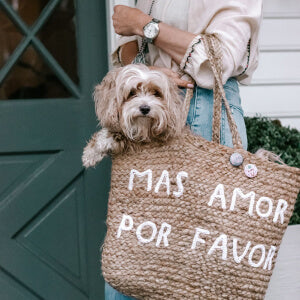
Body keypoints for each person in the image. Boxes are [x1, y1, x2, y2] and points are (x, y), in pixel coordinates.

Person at [106, 1, 263, 299]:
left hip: (205, 110)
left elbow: (221, 59)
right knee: (131, 262)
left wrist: (143, 24)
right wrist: (145, 72)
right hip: (149, 107)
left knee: (200, 271)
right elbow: (124, 41)